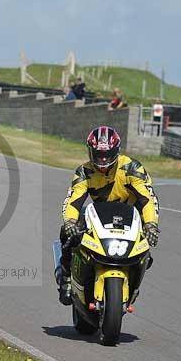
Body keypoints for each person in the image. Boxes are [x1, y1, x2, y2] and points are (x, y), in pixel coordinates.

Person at [56, 126, 160, 306]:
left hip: (131, 216)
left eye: (107, 154)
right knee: (67, 233)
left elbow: (148, 199)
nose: (102, 160)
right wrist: (70, 221)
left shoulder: (132, 168)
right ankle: (65, 277)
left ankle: (134, 281)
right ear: (90, 152)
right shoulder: (84, 172)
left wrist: (151, 224)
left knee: (147, 249)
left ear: (116, 151)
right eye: (98, 155)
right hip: (100, 215)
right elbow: (73, 201)